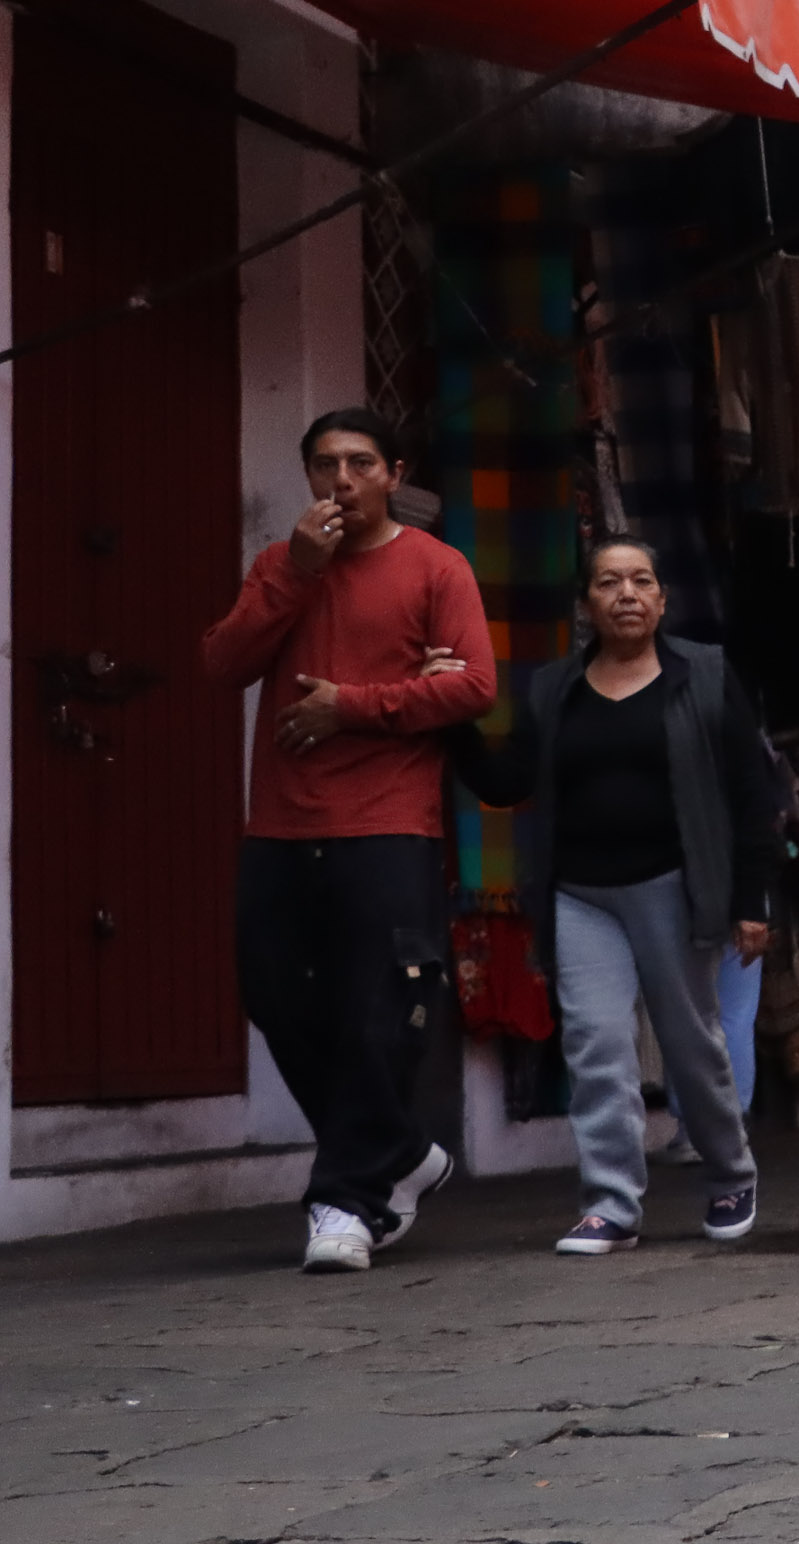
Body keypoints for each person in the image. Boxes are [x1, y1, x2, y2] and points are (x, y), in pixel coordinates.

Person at [202, 408, 497, 1274]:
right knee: (276, 1000)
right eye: (325, 464)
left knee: (379, 1014)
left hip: (388, 824)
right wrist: (295, 571)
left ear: (392, 472)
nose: (342, 479)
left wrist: (352, 706)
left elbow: (475, 685)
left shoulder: (437, 566)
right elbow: (221, 664)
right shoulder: (282, 568)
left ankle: (343, 1203)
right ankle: (403, 1153)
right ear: (307, 478)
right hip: (281, 823)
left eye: (360, 463)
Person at [447, 538, 777, 1253]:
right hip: (580, 894)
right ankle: (612, 1204)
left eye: (641, 581)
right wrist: (452, 719)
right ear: (587, 603)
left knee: (693, 1045)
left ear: (661, 599)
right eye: (608, 582)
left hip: (676, 887)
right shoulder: (553, 688)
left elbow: (753, 795)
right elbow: (509, 782)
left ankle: (729, 1172)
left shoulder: (707, 676)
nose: (626, 594)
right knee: (596, 1047)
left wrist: (753, 900)